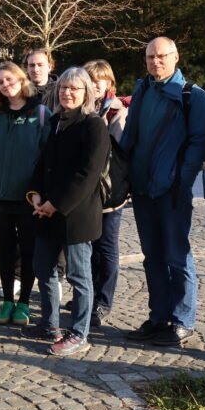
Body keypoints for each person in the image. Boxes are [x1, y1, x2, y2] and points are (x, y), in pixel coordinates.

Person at [121, 37, 205, 346]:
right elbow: (131, 135)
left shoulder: (193, 96)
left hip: (172, 191)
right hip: (142, 188)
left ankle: (183, 320)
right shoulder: (143, 90)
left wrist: (181, 180)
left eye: (161, 56)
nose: (155, 61)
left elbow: (200, 142)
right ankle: (158, 317)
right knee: (152, 257)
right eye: (150, 57)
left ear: (175, 57)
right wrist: (124, 173)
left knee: (177, 257)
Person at [26, 68, 110, 357]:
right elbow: (42, 164)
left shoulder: (93, 125)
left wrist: (56, 204)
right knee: (43, 268)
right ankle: (50, 324)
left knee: (79, 276)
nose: (67, 93)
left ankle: (79, 333)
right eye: (63, 87)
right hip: (46, 212)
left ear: (86, 93)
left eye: (74, 88)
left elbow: (88, 174)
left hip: (77, 215)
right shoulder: (55, 121)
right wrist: (35, 194)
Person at [0, 63, 50, 326]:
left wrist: (39, 187)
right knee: (5, 250)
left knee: (28, 250)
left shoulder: (41, 114)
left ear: (21, 78)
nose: (6, 85)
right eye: (0, 82)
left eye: (9, 79)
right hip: (0, 195)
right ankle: (7, 300)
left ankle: (24, 302)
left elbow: (49, 155)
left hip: (29, 198)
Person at [84, 59, 129, 327]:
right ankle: (88, 295)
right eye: (89, 80)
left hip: (110, 192)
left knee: (107, 247)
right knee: (88, 246)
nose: (94, 85)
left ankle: (103, 301)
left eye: (98, 80)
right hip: (87, 193)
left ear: (109, 82)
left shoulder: (116, 112)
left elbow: (117, 154)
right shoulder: (83, 108)